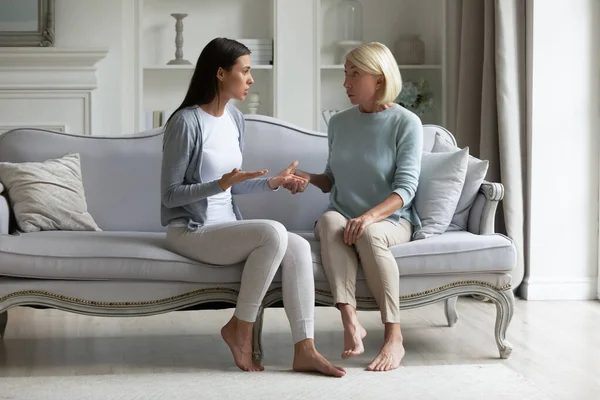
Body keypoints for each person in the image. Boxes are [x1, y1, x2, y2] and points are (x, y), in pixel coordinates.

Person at [160, 37, 345, 377]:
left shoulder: (234, 119)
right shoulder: (185, 123)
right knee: (273, 232)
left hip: (226, 226)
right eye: (244, 71)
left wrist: (273, 182)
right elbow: (171, 195)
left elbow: (232, 186)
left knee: (300, 246)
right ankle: (240, 326)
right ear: (220, 73)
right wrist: (221, 184)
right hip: (190, 231)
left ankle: (305, 348)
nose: (251, 79)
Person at [284, 42, 423, 372]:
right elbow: (332, 179)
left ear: (379, 78)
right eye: (345, 74)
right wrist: (307, 178)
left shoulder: (407, 123)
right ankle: (350, 320)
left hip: (391, 218)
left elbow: (406, 189)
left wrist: (368, 216)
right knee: (330, 222)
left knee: (368, 234)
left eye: (355, 75)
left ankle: (394, 336)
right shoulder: (339, 123)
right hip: (345, 213)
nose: (346, 83)